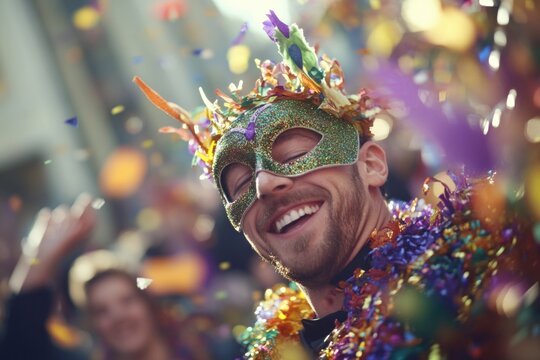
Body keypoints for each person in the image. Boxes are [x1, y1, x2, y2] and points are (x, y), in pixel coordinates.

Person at [134, 11, 540, 360]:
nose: (264, 183)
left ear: (372, 165)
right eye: (239, 183)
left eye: (293, 154)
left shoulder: (487, 263)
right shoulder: (268, 349)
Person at [1, 194, 174, 360]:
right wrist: (40, 258)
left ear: (148, 304)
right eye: (101, 311)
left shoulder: (198, 342)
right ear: (91, 324)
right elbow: (21, 341)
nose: (119, 316)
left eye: (127, 301)